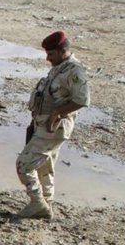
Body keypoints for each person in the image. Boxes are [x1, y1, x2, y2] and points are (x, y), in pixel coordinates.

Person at [13, 30, 90, 220]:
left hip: (53, 127)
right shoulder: (60, 67)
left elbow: (82, 100)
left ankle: (37, 203)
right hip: (44, 124)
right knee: (44, 168)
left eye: (51, 54)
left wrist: (58, 113)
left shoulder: (74, 70)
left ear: (63, 51)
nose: (48, 58)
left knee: (24, 164)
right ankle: (46, 204)